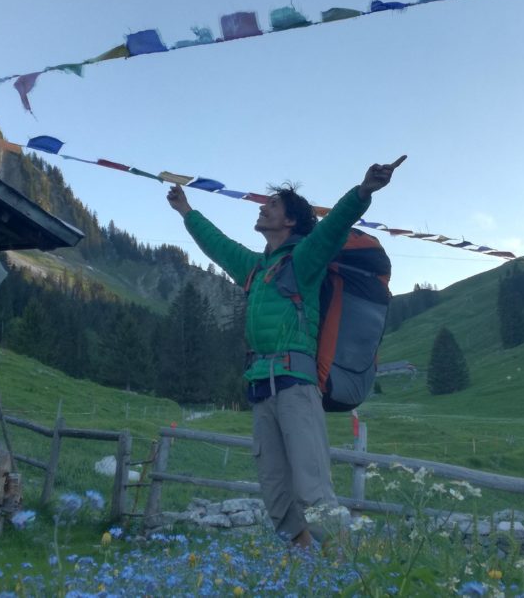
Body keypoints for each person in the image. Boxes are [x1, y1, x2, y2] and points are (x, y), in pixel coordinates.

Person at [166, 156, 406, 547]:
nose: (262, 206)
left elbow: (335, 225)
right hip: (261, 390)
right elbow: (218, 246)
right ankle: (305, 572)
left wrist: (364, 190)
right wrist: (187, 212)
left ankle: (351, 573)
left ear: (290, 221)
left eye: (272, 205)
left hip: (297, 386)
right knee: (277, 496)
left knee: (312, 490)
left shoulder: (305, 259)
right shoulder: (255, 268)